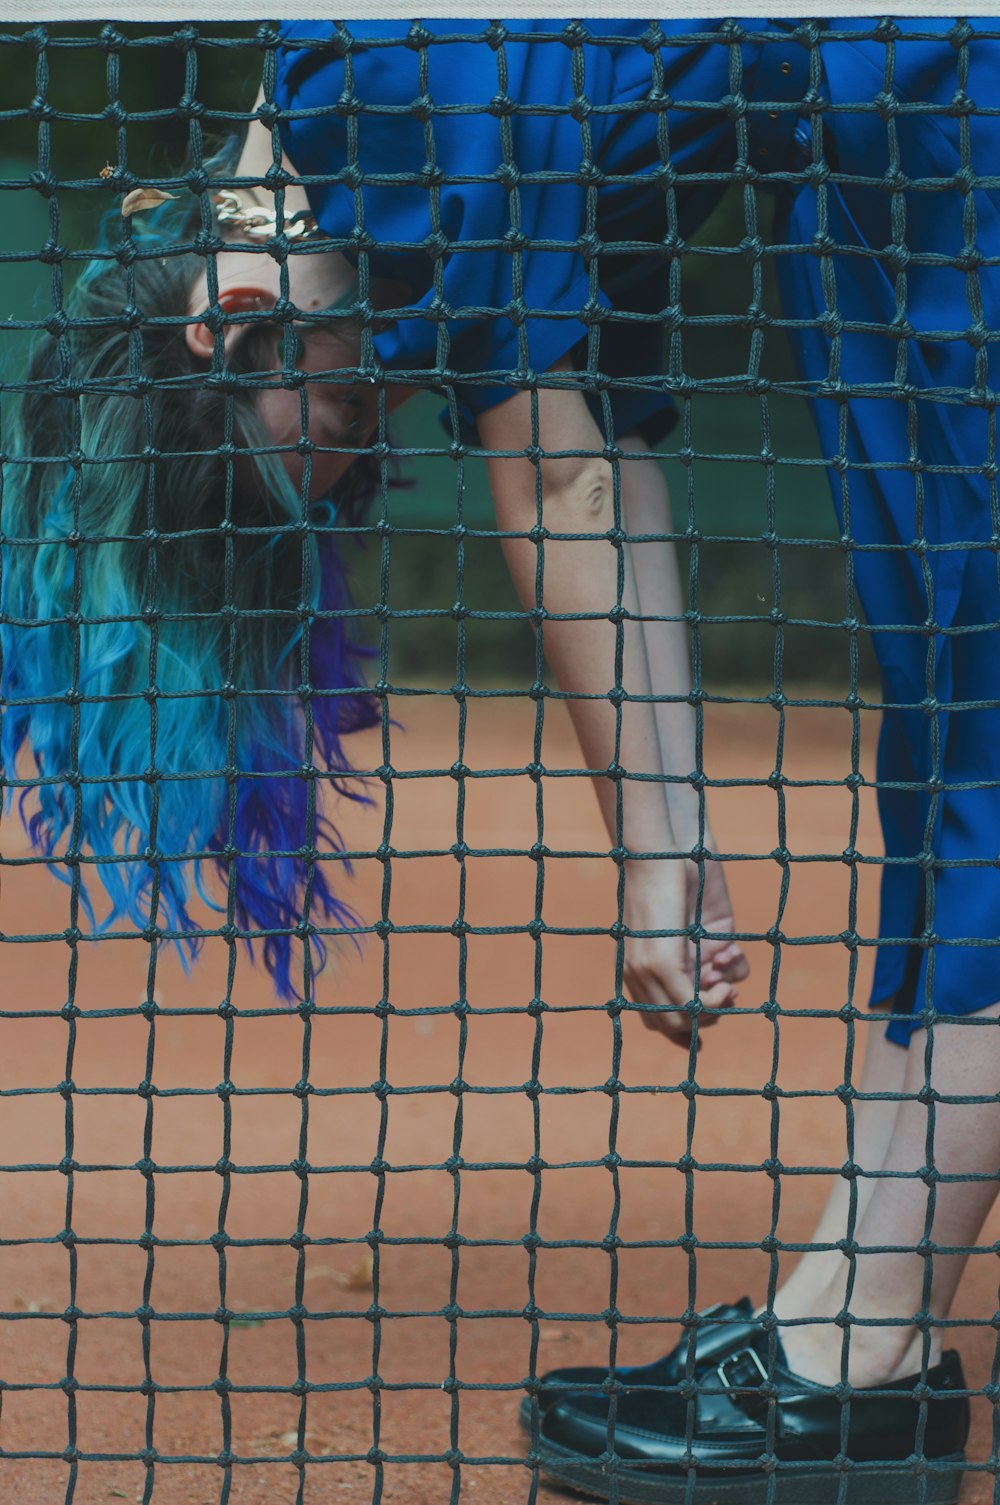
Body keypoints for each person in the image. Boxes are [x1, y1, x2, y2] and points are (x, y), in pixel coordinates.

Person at [4, 17, 999, 1504]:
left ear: (229, 313)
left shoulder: (379, 92)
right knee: (947, 729)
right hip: (880, 175)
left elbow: (561, 470)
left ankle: (858, 1341)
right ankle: (863, 1320)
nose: (370, 423)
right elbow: (599, 436)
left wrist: (663, 862)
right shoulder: (398, 187)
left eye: (338, 415)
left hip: (943, 118)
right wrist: (668, 835)